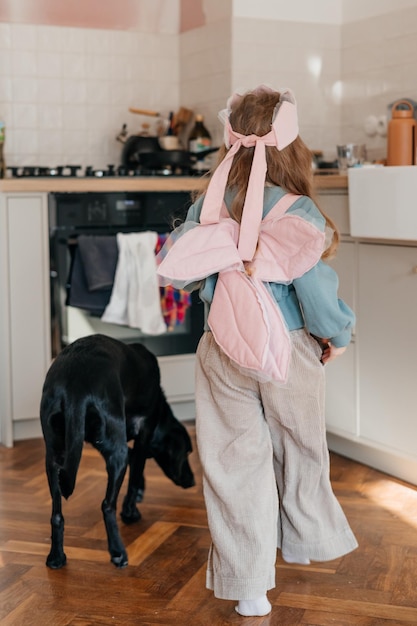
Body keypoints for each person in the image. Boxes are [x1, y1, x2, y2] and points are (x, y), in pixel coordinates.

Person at [157, 85, 358, 618]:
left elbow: (181, 265)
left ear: (231, 143)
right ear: (292, 144)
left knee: (232, 462)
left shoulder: (212, 203)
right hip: (288, 351)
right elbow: (316, 295)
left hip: (221, 349)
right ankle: (305, 540)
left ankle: (249, 586)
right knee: (301, 450)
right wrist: (336, 337)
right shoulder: (300, 211)